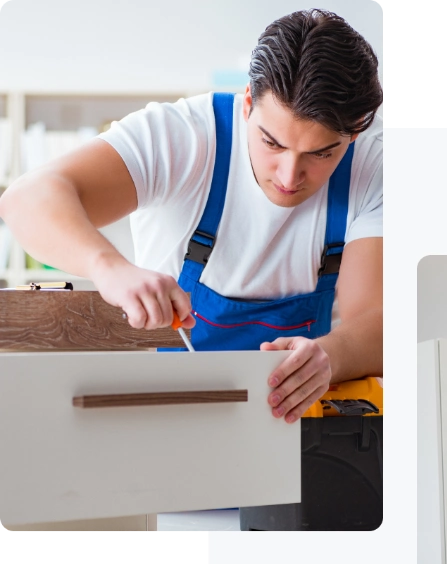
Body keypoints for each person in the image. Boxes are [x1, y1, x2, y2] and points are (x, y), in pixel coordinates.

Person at [0, 8, 383, 424]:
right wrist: (108, 268)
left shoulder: (374, 166)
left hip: (298, 426)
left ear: (355, 132)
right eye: (272, 143)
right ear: (249, 104)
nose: (290, 176)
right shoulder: (183, 136)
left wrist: (331, 355)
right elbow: (26, 198)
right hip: (164, 413)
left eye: (321, 153)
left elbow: (376, 321)